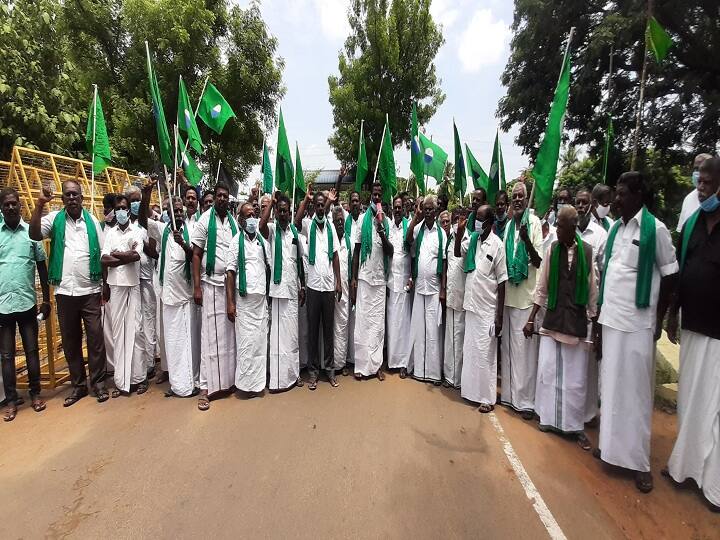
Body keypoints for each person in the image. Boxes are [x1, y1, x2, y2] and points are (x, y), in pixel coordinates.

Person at [596, 171, 678, 493]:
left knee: (637, 394)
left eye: (621, 194)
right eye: (615, 194)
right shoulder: (615, 229)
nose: (616, 199)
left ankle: (640, 463)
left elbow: (671, 276)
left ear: (638, 196)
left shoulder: (655, 229)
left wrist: (660, 318)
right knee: (612, 389)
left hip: (638, 324)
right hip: (612, 320)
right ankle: (612, 450)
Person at [666, 157, 720, 512]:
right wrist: (672, 313)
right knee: (690, 400)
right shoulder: (692, 224)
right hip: (693, 326)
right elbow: (682, 273)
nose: (700, 188)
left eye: (706, 183)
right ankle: (684, 469)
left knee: (716, 407)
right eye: (698, 182)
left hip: (719, 334)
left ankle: (713, 484)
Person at [29, 181, 109, 406]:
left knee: (95, 339)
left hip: (90, 291)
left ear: (82, 198)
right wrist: (40, 204)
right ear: (62, 199)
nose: (72, 198)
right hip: (65, 292)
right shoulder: (54, 219)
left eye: (75, 194)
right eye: (68, 195)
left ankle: (99, 383)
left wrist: (104, 283)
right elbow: (34, 234)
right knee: (71, 341)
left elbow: (102, 254)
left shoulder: (92, 221)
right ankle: (78, 385)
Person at [524, 206, 597, 451]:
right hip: (553, 321)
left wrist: (594, 326)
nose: (556, 229)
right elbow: (542, 288)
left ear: (572, 227)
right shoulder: (552, 250)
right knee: (548, 372)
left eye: (560, 226)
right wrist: (532, 317)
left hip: (576, 323)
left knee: (575, 381)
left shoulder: (587, 252)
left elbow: (592, 293)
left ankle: (574, 427)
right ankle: (547, 419)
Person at [142, 186, 199, 398]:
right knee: (173, 343)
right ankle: (177, 384)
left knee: (188, 342)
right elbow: (142, 221)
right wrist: (147, 194)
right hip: (168, 296)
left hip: (186, 297)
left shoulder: (191, 231)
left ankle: (189, 383)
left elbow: (195, 256)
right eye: (174, 211)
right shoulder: (162, 229)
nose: (179, 214)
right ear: (169, 214)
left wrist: (183, 244)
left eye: (181, 211)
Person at [0, 188, 50, 421]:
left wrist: (47, 300)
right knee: (7, 355)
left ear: (20, 206)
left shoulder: (31, 233)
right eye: (6, 204)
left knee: (31, 351)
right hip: (2, 306)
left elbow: (41, 266)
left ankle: (35, 394)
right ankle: (11, 401)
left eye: (14, 204)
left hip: (27, 302)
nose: (10, 207)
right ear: (1, 207)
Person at [191, 182, 239, 411]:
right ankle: (206, 387)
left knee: (229, 336)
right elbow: (197, 255)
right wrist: (197, 287)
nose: (222, 199)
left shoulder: (232, 223)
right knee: (210, 337)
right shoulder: (204, 220)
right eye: (219, 195)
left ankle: (227, 382)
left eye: (225, 196)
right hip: (209, 284)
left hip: (228, 285)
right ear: (214, 197)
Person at [457, 205, 507, 412]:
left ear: (490, 222)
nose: (476, 222)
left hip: (487, 309)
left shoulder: (497, 245)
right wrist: (461, 230)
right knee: (471, 352)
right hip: (471, 305)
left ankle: (486, 398)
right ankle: (470, 392)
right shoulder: (473, 240)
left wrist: (499, 317)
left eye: (479, 218)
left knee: (486, 355)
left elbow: (502, 281)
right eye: (475, 218)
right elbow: (457, 251)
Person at [500, 182, 543, 420]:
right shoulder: (508, 227)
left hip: (526, 298)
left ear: (527, 200)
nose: (517, 199)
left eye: (520, 196)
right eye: (514, 196)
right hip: (508, 296)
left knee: (525, 354)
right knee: (508, 349)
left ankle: (526, 402)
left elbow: (538, 262)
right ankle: (508, 396)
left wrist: (526, 240)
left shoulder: (533, 224)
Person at [295, 188, 341, 390]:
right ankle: (313, 373)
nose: (321, 208)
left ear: (326, 208)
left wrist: (339, 281)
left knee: (328, 332)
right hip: (313, 286)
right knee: (313, 332)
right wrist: (306, 199)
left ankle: (330, 370)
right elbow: (295, 221)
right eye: (318, 205)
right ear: (314, 207)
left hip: (329, 287)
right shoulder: (307, 225)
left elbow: (336, 255)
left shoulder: (331, 227)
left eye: (323, 205)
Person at [101, 194, 146, 397]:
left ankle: (138, 378)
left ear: (128, 210)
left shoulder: (136, 231)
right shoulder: (109, 233)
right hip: (116, 286)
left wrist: (116, 254)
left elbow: (136, 256)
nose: (120, 211)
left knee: (136, 331)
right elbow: (104, 259)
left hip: (132, 285)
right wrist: (124, 255)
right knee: (119, 333)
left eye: (123, 208)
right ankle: (121, 381)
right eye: (117, 208)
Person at [261, 192, 305, 391]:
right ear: (276, 212)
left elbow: (300, 262)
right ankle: (278, 380)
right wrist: (271, 203)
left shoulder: (296, 234)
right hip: (278, 291)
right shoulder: (271, 230)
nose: (283, 214)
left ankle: (293, 375)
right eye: (280, 211)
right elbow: (261, 226)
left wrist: (302, 285)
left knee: (292, 336)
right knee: (278, 337)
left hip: (293, 290)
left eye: (286, 211)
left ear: (290, 213)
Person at [351, 183, 393, 381]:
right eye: (374, 194)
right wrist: (353, 279)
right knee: (363, 324)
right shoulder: (361, 221)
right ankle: (361, 366)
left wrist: (381, 229)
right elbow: (357, 251)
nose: (377, 197)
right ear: (371, 196)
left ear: (382, 197)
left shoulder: (387, 222)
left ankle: (376, 366)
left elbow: (390, 251)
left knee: (377, 326)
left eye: (379, 194)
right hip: (364, 278)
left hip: (380, 279)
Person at [227, 202, 269, 395]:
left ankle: (259, 385)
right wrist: (230, 302)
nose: (252, 218)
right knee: (246, 344)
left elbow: (268, 267)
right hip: (243, 301)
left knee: (260, 343)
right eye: (248, 216)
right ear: (241, 220)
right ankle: (245, 386)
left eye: (254, 214)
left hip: (260, 301)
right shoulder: (236, 241)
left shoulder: (262, 241)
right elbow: (230, 272)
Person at [574, 188, 608, 426]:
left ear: (592, 205)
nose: (580, 206)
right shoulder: (565, 230)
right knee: (573, 362)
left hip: (589, 306)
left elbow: (604, 272)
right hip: (569, 306)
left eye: (585, 203)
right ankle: (572, 411)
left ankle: (587, 415)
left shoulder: (600, 235)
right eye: (578, 203)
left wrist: (599, 311)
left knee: (588, 364)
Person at [406, 195, 447, 384]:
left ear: (437, 211)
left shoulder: (442, 234)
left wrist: (443, 290)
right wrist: (416, 216)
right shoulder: (418, 230)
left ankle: (433, 373)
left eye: (431, 209)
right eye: (426, 209)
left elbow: (444, 263)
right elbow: (407, 240)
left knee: (432, 331)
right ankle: (417, 370)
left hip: (433, 289)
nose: (429, 212)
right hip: (419, 288)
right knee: (418, 329)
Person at [126, 184, 157, 381]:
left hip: (147, 279)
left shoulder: (148, 224)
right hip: (129, 281)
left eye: (139, 200)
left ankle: (150, 363)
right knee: (134, 326)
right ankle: (135, 366)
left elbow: (154, 252)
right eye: (133, 201)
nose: (136, 204)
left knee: (148, 322)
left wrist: (141, 247)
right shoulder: (121, 227)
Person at [386, 195, 413, 378]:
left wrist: (411, 277)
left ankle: (403, 363)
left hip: (404, 283)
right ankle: (391, 361)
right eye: (395, 207)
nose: (397, 210)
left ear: (403, 209)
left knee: (403, 324)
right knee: (391, 323)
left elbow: (413, 254)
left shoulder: (408, 227)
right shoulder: (388, 227)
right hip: (390, 282)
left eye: (400, 207)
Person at [442, 209, 465, 388]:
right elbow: (446, 265)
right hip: (450, 294)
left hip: (462, 297)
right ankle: (449, 376)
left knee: (459, 338)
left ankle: (457, 379)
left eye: (459, 220)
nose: (457, 223)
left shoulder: (469, 239)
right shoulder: (450, 240)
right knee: (450, 338)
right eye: (455, 220)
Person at [343, 190, 363, 374]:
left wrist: (356, 277)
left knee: (358, 318)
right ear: (349, 204)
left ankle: (358, 357)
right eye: (353, 201)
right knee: (346, 319)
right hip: (345, 276)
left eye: (357, 201)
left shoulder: (364, 220)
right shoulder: (346, 219)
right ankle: (348, 357)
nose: (355, 203)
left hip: (358, 277)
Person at [331, 207, 352, 378]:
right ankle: (329, 363)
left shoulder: (349, 242)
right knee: (328, 327)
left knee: (343, 327)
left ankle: (340, 363)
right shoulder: (328, 240)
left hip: (344, 291)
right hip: (328, 290)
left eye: (341, 221)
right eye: (337, 220)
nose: (339, 223)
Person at [677, 153, 713, 232]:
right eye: (696, 169)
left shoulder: (716, 199)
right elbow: (683, 233)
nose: (698, 172)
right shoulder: (688, 199)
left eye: (703, 168)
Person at [101, 193, 116, 375]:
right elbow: (103, 258)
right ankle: (111, 366)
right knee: (107, 330)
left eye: (109, 207)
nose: (107, 211)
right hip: (104, 285)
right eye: (105, 207)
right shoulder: (100, 228)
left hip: (119, 284)